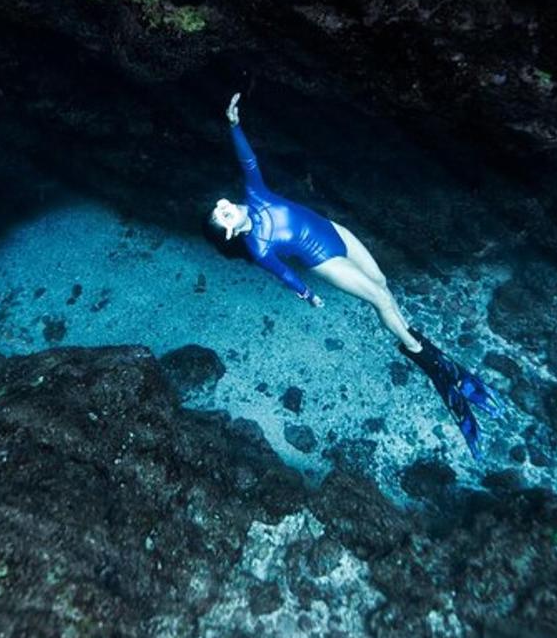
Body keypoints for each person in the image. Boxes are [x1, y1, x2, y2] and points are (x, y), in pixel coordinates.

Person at [209, 93, 504, 458]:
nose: (224, 208)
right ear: (230, 231)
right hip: (323, 260)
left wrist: (234, 125)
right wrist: (307, 295)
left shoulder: (255, 195)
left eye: (221, 206)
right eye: (222, 217)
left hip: (336, 232)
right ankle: (430, 363)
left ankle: (430, 354)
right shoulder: (257, 246)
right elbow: (283, 273)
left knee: (382, 284)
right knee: (380, 300)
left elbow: (248, 161)